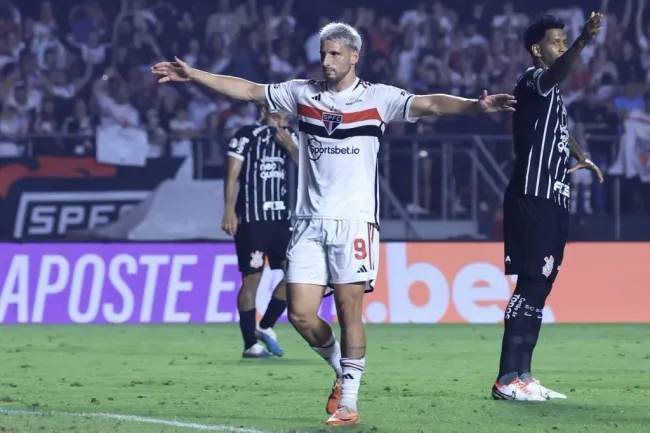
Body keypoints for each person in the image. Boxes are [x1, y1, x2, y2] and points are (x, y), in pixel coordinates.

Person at [152, 22, 515, 426]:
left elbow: (430, 104)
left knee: (348, 311)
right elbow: (248, 89)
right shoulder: (301, 93)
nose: (326, 61)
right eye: (323, 54)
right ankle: (342, 373)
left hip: (355, 223)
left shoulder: (378, 98)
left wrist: (476, 106)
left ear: (354, 56)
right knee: (301, 315)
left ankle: (349, 404)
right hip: (307, 223)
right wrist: (195, 75)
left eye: (335, 54)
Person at [495, 13, 605, 402]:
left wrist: (582, 154)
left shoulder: (552, 97)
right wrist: (583, 40)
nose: (561, 46)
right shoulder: (532, 79)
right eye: (556, 42)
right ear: (538, 50)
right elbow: (557, 72)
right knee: (530, 285)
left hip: (555, 198)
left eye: (564, 40)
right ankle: (507, 377)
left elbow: (560, 131)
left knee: (541, 286)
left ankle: (523, 375)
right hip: (533, 196)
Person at [222, 107, 299, 358]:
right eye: (277, 116)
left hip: (281, 220)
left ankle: (265, 326)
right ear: (263, 111)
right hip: (252, 220)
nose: (281, 122)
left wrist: (290, 146)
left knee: (296, 273)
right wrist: (229, 210)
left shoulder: (290, 136)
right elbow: (232, 175)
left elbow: (306, 166)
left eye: (285, 118)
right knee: (252, 279)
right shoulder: (246, 135)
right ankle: (250, 345)